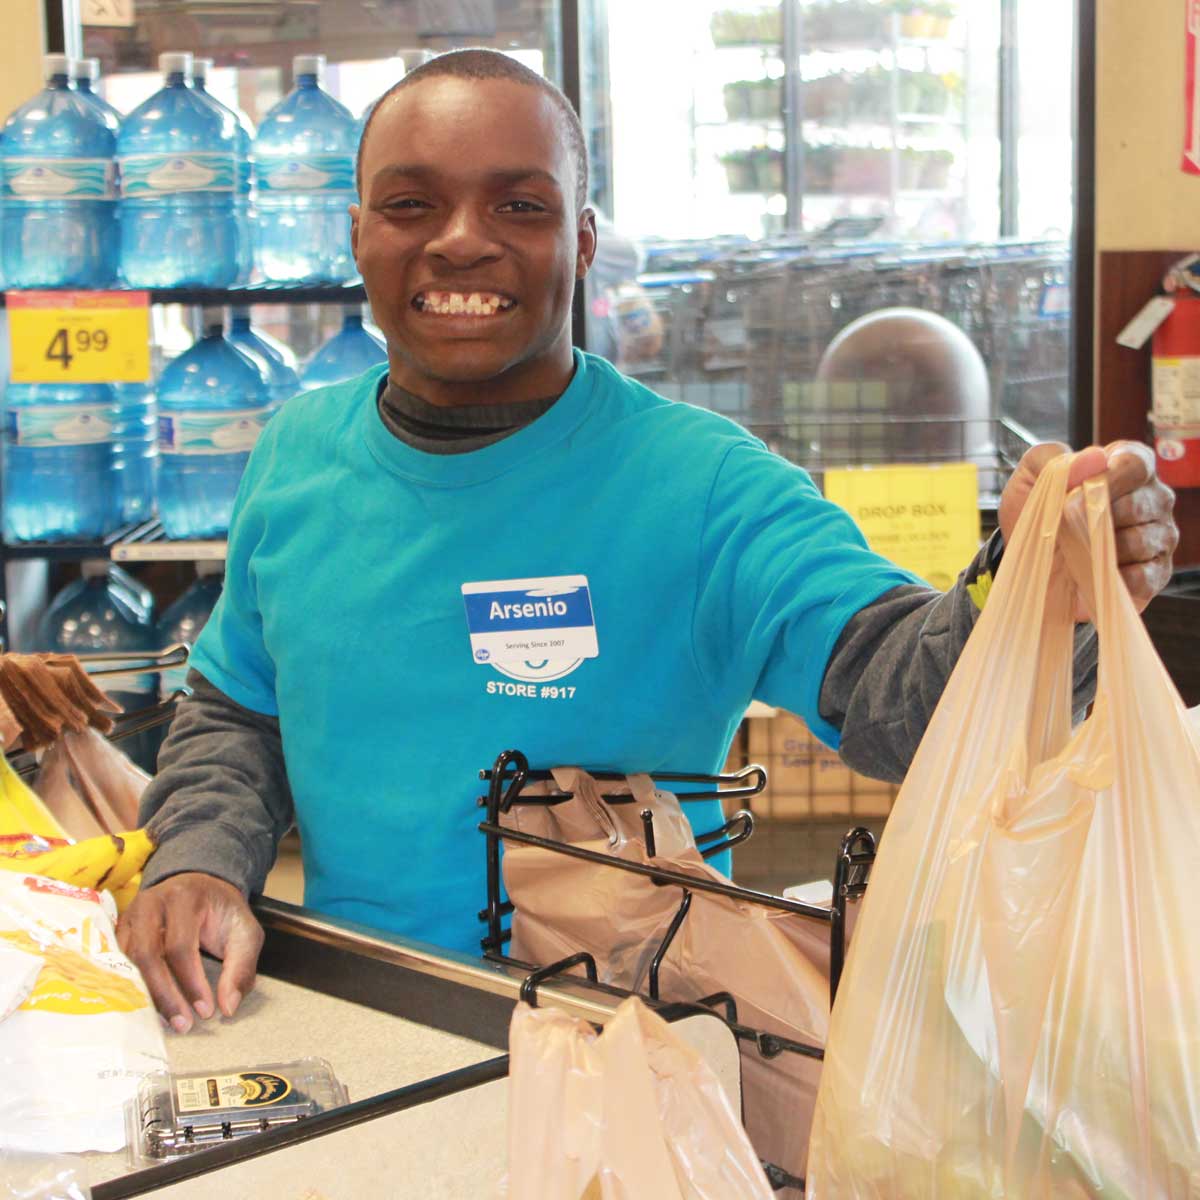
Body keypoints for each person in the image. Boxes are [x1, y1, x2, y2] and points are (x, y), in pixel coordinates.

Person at [118, 49, 1179, 1033]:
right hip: (356, 1021)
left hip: (632, 1054)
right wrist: (198, 861)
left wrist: (1033, 597)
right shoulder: (297, 452)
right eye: (412, 203)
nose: (460, 239)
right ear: (359, 235)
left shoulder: (704, 485)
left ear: (579, 240)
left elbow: (900, 695)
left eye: (519, 204)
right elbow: (236, 708)